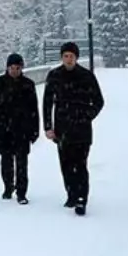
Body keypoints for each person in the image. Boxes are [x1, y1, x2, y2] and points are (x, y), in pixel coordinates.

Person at [43, 41, 104, 216]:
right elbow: (47, 103)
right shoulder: (54, 75)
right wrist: (48, 126)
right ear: (62, 57)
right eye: (66, 56)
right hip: (62, 129)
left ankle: (81, 199)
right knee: (66, 165)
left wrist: (86, 116)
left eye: (72, 56)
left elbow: (99, 101)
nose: (69, 59)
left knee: (81, 165)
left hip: (82, 130)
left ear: (77, 57)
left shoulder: (86, 76)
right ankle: (71, 194)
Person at [0, 53, 40, 205]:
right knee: (6, 161)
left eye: (18, 67)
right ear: (7, 67)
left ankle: (22, 192)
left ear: (22, 68)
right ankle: (8, 187)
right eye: (12, 67)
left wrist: (34, 130)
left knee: (22, 162)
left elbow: (33, 109)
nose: (15, 70)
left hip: (22, 129)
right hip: (3, 129)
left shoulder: (28, 85)